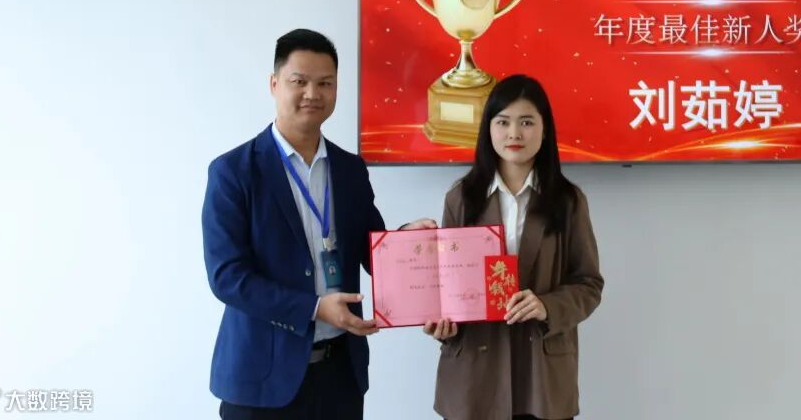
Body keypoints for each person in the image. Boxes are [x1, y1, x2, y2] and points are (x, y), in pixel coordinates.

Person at [203, 29, 435, 420]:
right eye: (300, 81)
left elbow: (371, 250)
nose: (313, 93)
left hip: (339, 376)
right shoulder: (233, 172)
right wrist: (313, 308)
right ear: (274, 84)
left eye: (325, 83)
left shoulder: (350, 169)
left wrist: (405, 242)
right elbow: (227, 277)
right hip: (261, 381)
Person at [424, 74, 603, 420]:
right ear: (488, 129)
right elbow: (448, 285)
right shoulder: (461, 198)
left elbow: (589, 284)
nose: (514, 134)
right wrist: (442, 323)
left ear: (545, 130)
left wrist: (547, 305)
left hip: (541, 377)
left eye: (526, 122)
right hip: (474, 375)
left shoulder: (568, 202)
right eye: (503, 122)